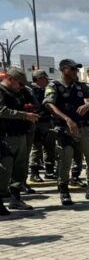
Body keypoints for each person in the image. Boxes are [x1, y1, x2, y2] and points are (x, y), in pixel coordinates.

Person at [44, 58, 89, 205]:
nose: (75, 71)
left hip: (82, 127)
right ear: (63, 70)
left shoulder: (79, 86)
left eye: (76, 69)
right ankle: (64, 190)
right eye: (72, 69)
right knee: (66, 159)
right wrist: (67, 119)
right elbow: (48, 104)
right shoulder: (54, 86)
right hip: (65, 129)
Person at [0, 67, 39, 213]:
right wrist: (24, 115)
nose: (21, 87)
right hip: (6, 136)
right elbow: (1, 111)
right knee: (5, 169)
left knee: (20, 168)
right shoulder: (1, 91)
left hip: (21, 134)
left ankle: (16, 199)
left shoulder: (20, 92)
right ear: (10, 79)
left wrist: (29, 110)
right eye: (20, 83)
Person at [27, 70, 55, 183]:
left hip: (47, 122)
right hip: (37, 122)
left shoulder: (45, 90)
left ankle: (49, 171)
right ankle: (34, 173)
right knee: (36, 148)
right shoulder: (30, 91)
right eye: (44, 78)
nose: (47, 80)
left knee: (50, 148)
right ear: (38, 79)